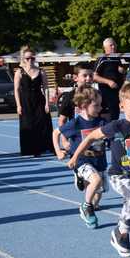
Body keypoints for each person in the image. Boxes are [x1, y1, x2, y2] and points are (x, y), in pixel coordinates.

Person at [68, 82, 130, 257]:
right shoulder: (116, 126)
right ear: (122, 106)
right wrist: (75, 157)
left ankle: (122, 236)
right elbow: (90, 137)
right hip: (119, 175)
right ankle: (119, 231)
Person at [53, 87, 107, 229]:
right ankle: (85, 206)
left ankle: (90, 205)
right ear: (84, 106)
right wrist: (59, 150)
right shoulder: (75, 124)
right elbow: (56, 133)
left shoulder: (101, 122)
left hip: (99, 160)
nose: (100, 108)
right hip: (82, 161)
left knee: (98, 194)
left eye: (100, 105)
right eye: (96, 105)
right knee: (96, 180)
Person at [13, 45, 54, 157]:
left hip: (39, 99)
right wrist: (18, 105)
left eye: (32, 58)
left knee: (42, 123)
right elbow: (16, 90)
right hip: (25, 101)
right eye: (27, 58)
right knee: (28, 124)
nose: (30, 60)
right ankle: (29, 149)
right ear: (23, 59)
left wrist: (47, 103)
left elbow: (45, 88)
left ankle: (44, 147)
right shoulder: (19, 72)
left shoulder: (41, 72)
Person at [94, 37, 126, 121]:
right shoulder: (102, 58)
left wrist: (123, 71)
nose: (113, 47)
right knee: (107, 118)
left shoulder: (117, 58)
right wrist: (108, 82)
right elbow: (94, 76)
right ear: (105, 47)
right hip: (106, 94)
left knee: (116, 116)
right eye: (111, 45)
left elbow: (121, 73)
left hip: (117, 93)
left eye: (114, 45)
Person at [57, 62, 95, 128]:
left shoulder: (98, 95)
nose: (88, 78)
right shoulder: (69, 96)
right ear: (75, 78)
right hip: (77, 135)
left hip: (95, 133)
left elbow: (106, 117)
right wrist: (64, 137)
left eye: (91, 75)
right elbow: (62, 120)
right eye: (85, 75)